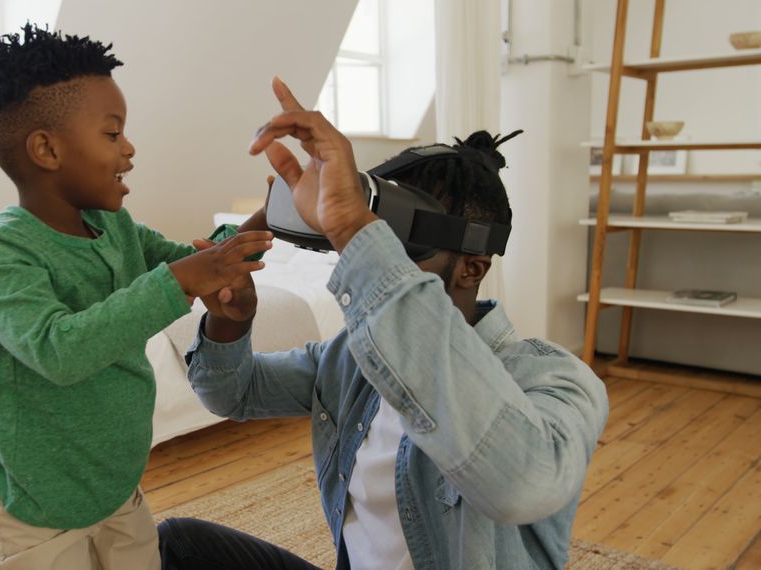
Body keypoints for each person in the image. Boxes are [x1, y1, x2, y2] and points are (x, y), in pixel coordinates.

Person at [157, 78, 609, 569]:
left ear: (471, 268)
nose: (372, 258)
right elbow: (233, 393)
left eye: (396, 245)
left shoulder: (554, 380)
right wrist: (233, 320)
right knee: (178, 543)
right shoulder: (351, 358)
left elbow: (518, 486)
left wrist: (355, 229)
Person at [0, 24, 272, 569]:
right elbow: (59, 351)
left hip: (115, 489)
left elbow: (195, 259)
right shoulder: (2, 248)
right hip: (34, 508)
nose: (129, 150)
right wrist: (180, 281)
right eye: (112, 134)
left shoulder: (116, 226)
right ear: (46, 149)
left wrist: (273, 213)